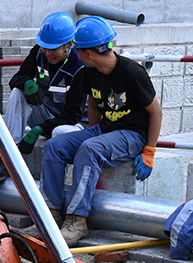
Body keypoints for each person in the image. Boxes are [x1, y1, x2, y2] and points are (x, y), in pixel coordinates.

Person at [37, 14, 163, 244]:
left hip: (132, 135)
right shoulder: (89, 72)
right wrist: (93, 134)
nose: (76, 53)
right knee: (55, 146)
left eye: (78, 49)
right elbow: (94, 103)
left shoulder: (132, 73)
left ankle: (77, 220)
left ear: (89, 52)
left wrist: (149, 151)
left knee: (90, 149)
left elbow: (156, 112)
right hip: (105, 130)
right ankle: (52, 213)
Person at [9, 13, 84, 144]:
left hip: (73, 126)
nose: (48, 53)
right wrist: (26, 82)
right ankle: (8, 152)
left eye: (53, 49)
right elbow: (17, 78)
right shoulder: (39, 51)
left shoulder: (79, 66)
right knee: (18, 92)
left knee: (59, 132)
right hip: (46, 116)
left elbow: (73, 115)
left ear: (69, 44)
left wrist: (40, 129)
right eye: (45, 47)